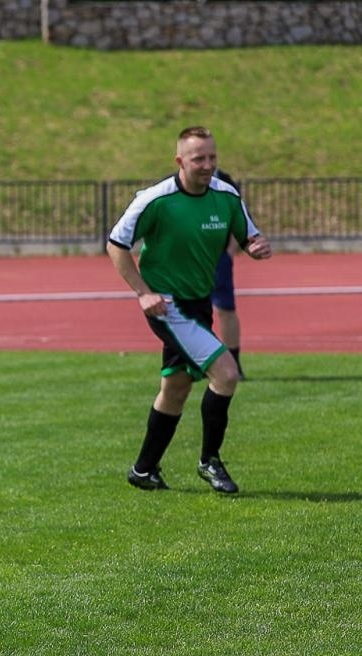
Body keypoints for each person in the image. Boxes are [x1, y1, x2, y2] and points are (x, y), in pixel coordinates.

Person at [107, 127, 272, 494]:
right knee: (226, 374)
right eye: (199, 158)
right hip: (167, 304)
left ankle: (143, 469)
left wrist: (256, 246)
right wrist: (142, 293)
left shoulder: (226, 196)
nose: (207, 165)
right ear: (180, 161)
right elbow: (117, 244)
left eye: (212, 157)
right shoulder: (155, 199)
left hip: (198, 303)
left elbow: (248, 236)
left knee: (177, 387)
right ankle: (209, 462)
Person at [212, 169, 244, 379]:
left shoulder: (224, 182)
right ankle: (199, 364)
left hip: (218, 258)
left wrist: (231, 251)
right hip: (189, 259)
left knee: (225, 309)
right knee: (189, 310)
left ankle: (234, 362)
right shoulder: (174, 184)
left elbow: (238, 217)